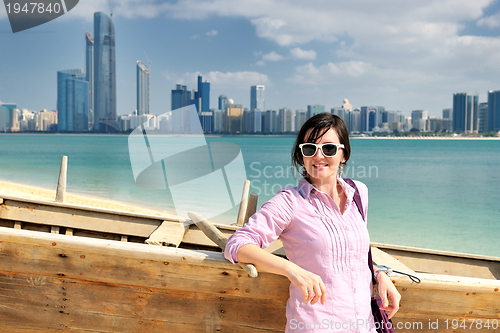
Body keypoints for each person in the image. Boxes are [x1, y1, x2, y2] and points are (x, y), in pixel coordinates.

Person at [224, 113, 401, 332]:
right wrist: (292, 270)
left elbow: (351, 252)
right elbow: (237, 244)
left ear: (343, 154)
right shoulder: (290, 201)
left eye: (328, 148)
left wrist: (379, 273)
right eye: (309, 149)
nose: (318, 156)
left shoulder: (358, 192)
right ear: (301, 156)